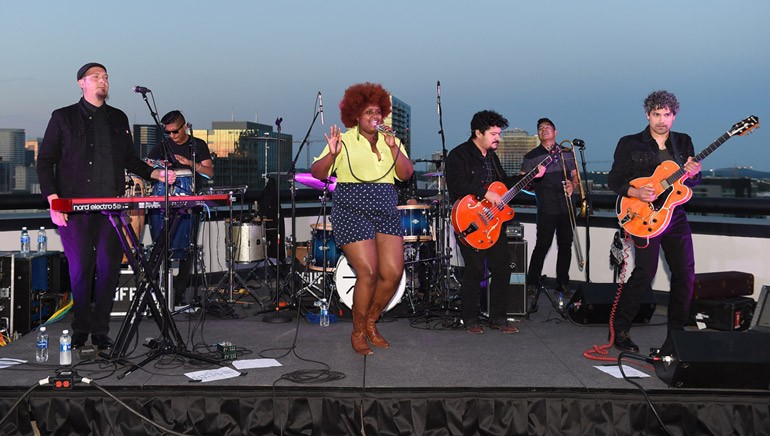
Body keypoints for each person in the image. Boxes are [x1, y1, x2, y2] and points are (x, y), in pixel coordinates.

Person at [37, 62, 176, 350]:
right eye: (96, 77)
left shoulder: (118, 118)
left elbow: (130, 160)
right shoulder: (63, 117)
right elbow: (45, 161)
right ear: (81, 83)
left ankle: (100, 330)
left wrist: (157, 173)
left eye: (106, 77)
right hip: (75, 208)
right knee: (81, 269)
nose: (103, 81)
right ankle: (80, 327)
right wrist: (54, 201)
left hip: (112, 209)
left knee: (109, 268)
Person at [311, 82, 414, 355]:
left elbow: (405, 174)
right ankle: (357, 332)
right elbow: (319, 173)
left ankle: (371, 322)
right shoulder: (343, 140)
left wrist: (394, 147)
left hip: (385, 208)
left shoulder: (392, 141)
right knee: (367, 272)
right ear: (356, 115)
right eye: (369, 111)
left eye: (379, 111)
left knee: (392, 273)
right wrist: (331, 154)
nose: (375, 116)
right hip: (351, 209)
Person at [608, 90, 701, 352]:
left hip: (675, 217)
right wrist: (636, 192)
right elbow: (614, 181)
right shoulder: (629, 143)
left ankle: (677, 334)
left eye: (667, 114)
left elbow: (689, 183)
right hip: (644, 216)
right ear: (647, 115)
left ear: (674, 115)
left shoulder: (683, 142)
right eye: (656, 114)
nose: (662, 119)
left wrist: (694, 173)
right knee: (644, 273)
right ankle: (621, 329)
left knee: (685, 274)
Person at [445, 110, 544, 334]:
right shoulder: (459, 155)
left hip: (494, 223)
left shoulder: (492, 156)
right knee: (475, 269)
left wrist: (530, 176)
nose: (497, 138)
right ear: (478, 132)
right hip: (469, 219)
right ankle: (470, 318)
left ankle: (498, 318)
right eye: (493, 133)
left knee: (503, 267)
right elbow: (457, 185)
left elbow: (504, 186)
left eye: (499, 133)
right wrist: (483, 193)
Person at [147, 110, 214, 305]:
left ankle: (179, 292)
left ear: (184, 126)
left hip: (190, 200)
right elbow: (148, 165)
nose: (172, 136)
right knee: (162, 244)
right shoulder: (163, 145)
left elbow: (209, 172)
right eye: (168, 132)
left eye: (175, 131)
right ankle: (159, 292)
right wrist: (155, 166)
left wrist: (189, 164)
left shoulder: (197, 145)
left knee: (188, 247)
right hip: (164, 199)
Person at [521, 118, 579, 295]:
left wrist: (573, 185)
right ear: (538, 134)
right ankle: (532, 283)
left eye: (547, 128)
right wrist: (535, 176)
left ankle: (563, 283)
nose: (543, 130)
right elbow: (522, 183)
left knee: (565, 245)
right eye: (540, 128)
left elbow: (576, 177)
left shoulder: (567, 153)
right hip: (546, 207)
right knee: (542, 245)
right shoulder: (531, 156)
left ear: (555, 133)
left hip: (567, 206)